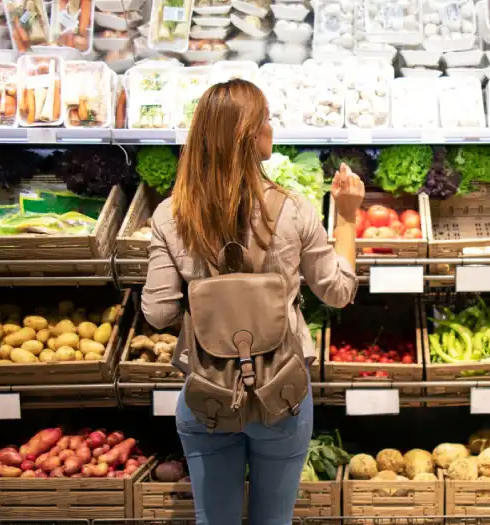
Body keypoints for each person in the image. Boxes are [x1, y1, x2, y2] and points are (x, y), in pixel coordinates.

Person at [141, 78, 364, 525]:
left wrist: (208, 298)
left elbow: (159, 312)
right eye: (266, 119)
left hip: (207, 392)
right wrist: (346, 217)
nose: (271, 128)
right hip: (282, 392)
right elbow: (338, 291)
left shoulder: (171, 215)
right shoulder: (294, 209)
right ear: (249, 136)